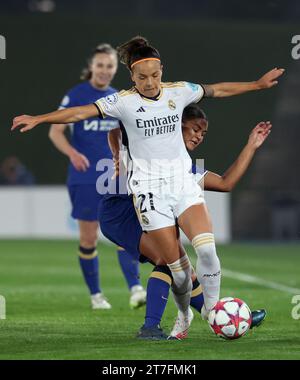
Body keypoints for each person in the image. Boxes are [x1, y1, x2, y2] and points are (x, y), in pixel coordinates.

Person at [11, 36, 284, 337]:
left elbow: (217, 90)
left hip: (182, 183)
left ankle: (215, 314)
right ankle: (186, 316)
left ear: (162, 70)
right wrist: (39, 118)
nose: (150, 82)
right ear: (132, 77)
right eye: (142, 77)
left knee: (207, 251)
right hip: (148, 193)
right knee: (177, 269)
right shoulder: (123, 102)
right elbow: (80, 113)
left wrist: (256, 85)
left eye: (155, 75)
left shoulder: (178, 92)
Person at [98, 103, 271, 340]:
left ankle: (222, 318)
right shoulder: (145, 143)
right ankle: (152, 326)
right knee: (167, 260)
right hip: (120, 211)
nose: (199, 136)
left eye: (203, 133)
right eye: (194, 129)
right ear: (175, 126)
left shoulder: (184, 168)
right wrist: (117, 155)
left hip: (149, 208)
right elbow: (116, 130)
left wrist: (251, 146)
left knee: (182, 268)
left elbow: (225, 183)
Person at [48, 43, 146, 310]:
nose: (104, 71)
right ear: (91, 67)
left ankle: (136, 288)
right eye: (100, 65)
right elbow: (55, 132)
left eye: (110, 66)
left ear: (116, 69)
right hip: (84, 177)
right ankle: (96, 296)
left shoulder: (118, 97)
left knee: (125, 233)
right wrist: (72, 153)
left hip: (115, 176)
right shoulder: (77, 95)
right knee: (89, 239)